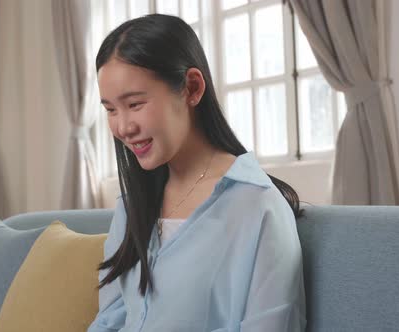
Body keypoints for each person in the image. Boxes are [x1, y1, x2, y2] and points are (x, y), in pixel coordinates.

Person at [87, 14, 306, 332]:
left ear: (192, 87)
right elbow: (109, 320)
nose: (122, 127)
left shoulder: (258, 208)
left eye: (134, 104)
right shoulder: (132, 205)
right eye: (110, 109)